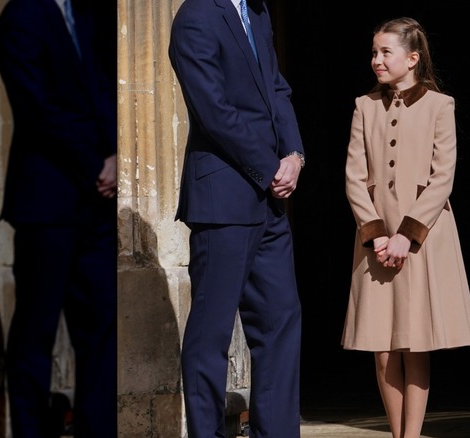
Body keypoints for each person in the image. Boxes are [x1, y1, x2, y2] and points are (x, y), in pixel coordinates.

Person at [167, 0, 305, 436]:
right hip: (223, 199)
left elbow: (277, 89)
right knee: (212, 333)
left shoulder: (259, 13)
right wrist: (269, 168)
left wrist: (295, 154)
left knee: (281, 322)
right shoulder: (196, 17)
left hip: (269, 202)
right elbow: (213, 109)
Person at [341, 17, 470, 438]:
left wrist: (406, 235)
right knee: (381, 347)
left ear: (412, 58)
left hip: (422, 239)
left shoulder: (441, 105)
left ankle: (412, 435)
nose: (376, 60)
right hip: (376, 241)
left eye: (385, 52)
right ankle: (396, 432)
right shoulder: (363, 106)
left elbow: (443, 176)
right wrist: (379, 233)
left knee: (415, 342)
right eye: (374, 52)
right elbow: (353, 175)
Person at [0, 0, 117, 436]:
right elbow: (37, 108)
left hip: (96, 206)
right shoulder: (21, 17)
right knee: (35, 332)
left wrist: (117, 155)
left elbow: (106, 88)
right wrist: (95, 164)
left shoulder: (89, 12)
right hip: (46, 202)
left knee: (100, 330)